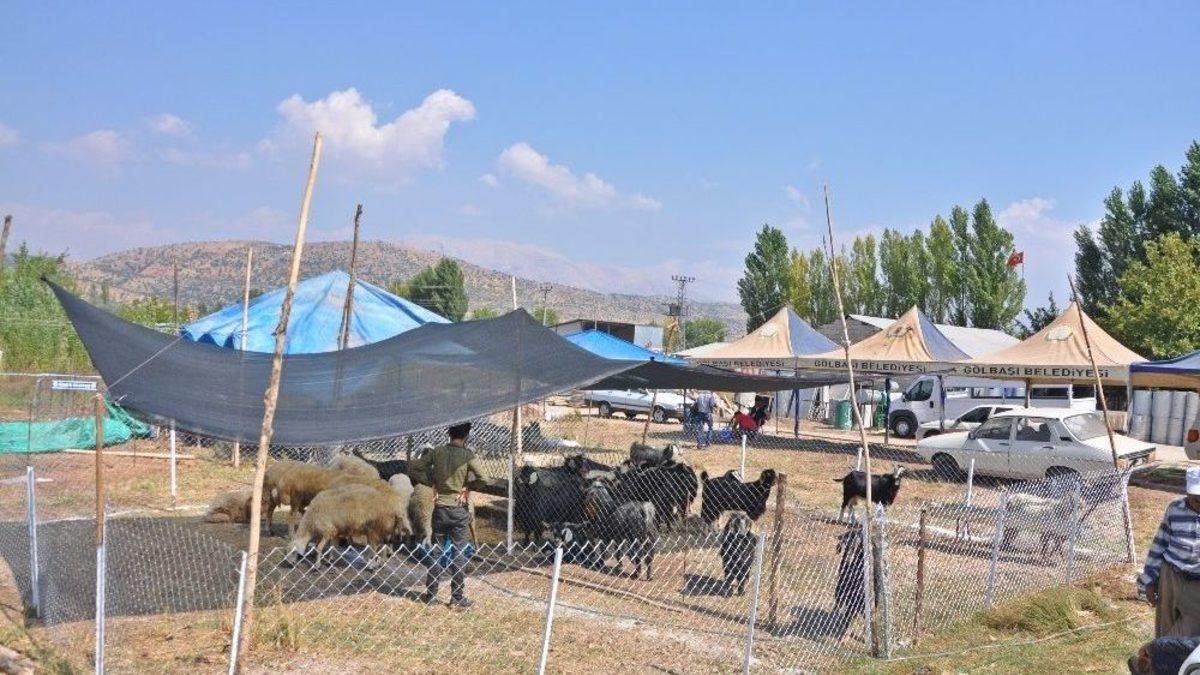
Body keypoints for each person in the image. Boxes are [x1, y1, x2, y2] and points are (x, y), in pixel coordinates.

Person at [409, 421, 487, 609]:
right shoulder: (468, 455)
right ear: (466, 436)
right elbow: (484, 478)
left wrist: (430, 481)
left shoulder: (437, 452)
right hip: (459, 510)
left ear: (449, 434)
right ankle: (457, 597)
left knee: (436, 551)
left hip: (440, 509)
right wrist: (468, 487)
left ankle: (431, 596)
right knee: (458, 552)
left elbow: (413, 468)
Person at [1138, 465, 1200, 638]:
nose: (1199, 504)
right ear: (1187, 493)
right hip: (1170, 576)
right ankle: (1160, 655)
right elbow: (1159, 544)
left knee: (1191, 634)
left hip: (1197, 582)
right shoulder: (1174, 509)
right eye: (1196, 500)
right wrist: (1149, 581)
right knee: (1164, 630)